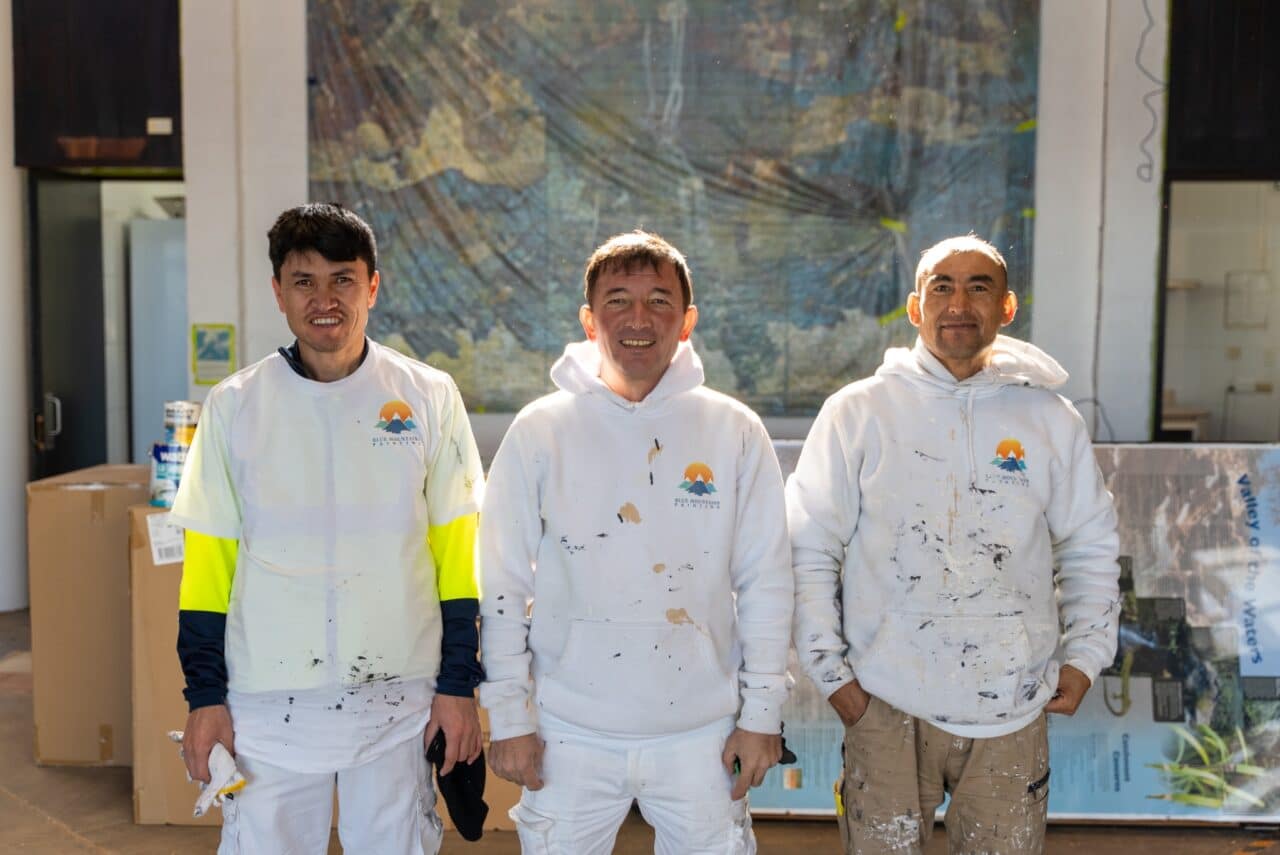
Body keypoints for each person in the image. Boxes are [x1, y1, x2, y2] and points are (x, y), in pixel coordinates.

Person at [787, 235, 1120, 854]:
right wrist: (835, 680)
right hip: (883, 703)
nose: (959, 303)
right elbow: (808, 547)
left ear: (1007, 307)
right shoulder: (857, 412)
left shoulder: (1050, 418)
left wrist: (1085, 658)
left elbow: (1089, 545)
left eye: (978, 287)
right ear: (916, 308)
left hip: (1012, 708)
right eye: (941, 287)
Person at [170, 203, 485, 854]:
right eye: (304, 281)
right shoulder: (235, 407)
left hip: (397, 701)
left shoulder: (428, 395)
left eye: (343, 279)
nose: (324, 299)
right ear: (278, 291)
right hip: (267, 708)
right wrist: (205, 696)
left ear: (372, 286)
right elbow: (206, 575)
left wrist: (458, 685)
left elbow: (460, 559)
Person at [478, 230, 793, 854]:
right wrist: (509, 716)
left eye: (659, 301)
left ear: (687, 321)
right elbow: (501, 582)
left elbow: (766, 582)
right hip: (569, 732)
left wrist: (762, 715)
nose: (639, 319)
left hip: (701, 733)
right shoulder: (541, 431)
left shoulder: (733, 430)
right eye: (618, 301)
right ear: (589, 320)